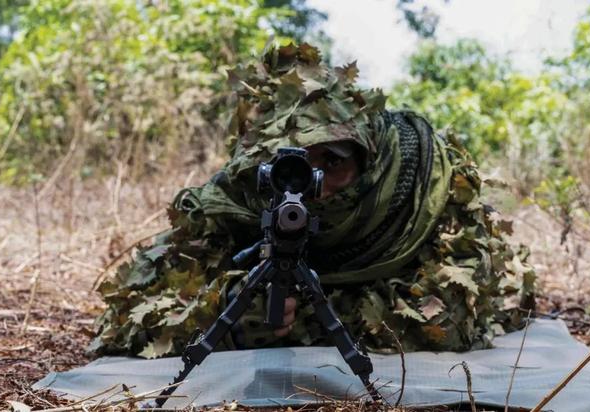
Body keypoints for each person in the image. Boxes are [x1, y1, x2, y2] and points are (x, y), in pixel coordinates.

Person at [89, 43, 535, 359]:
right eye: (292, 168)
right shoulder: (236, 200)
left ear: (367, 158)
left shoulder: (421, 190)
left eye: (332, 163)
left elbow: (447, 323)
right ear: (263, 169)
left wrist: (297, 319)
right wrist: (225, 312)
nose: (310, 185)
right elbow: (124, 315)